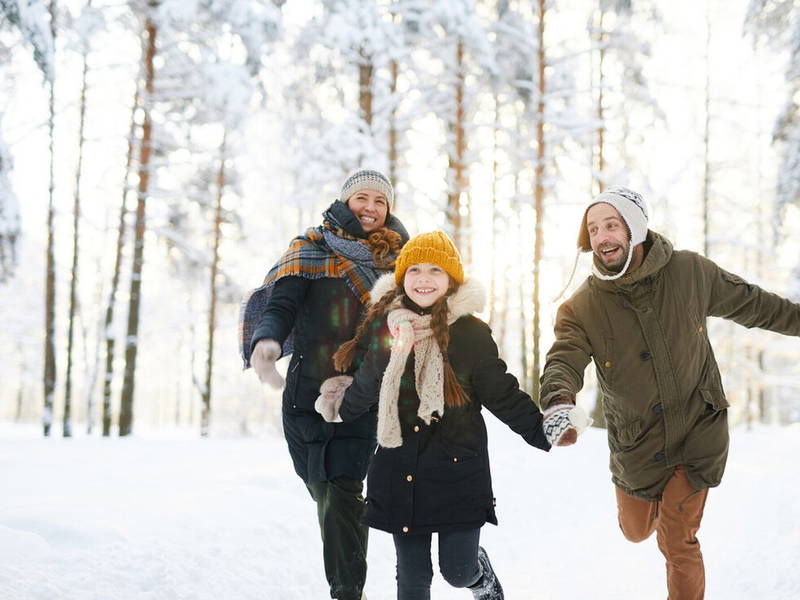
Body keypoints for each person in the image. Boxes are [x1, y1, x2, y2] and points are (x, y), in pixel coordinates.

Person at [538, 186, 800, 600]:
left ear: (635, 229)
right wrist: (558, 401)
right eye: (594, 228)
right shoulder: (581, 306)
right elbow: (563, 360)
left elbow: (757, 306)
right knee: (636, 531)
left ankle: (678, 515)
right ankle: (660, 505)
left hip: (699, 429)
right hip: (637, 442)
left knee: (678, 540)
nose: (603, 236)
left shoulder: (691, 272)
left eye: (612, 225)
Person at [315, 231, 582, 600]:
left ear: (452, 280)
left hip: (457, 469)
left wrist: (542, 430)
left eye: (435, 271)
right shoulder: (387, 328)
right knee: (412, 579)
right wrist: (339, 410)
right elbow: (368, 382)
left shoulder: (470, 334)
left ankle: (479, 575)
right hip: (399, 468)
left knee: (457, 570)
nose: (424, 279)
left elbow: (502, 393)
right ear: (402, 277)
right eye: (415, 270)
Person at [238, 168, 410, 600]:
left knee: (345, 491)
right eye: (362, 199)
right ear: (345, 202)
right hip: (304, 395)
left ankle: (347, 593)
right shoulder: (309, 250)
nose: (370, 208)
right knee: (323, 491)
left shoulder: (400, 262)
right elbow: (281, 305)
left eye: (380, 201)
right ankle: (346, 583)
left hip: (362, 393)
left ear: (389, 209)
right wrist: (268, 341)